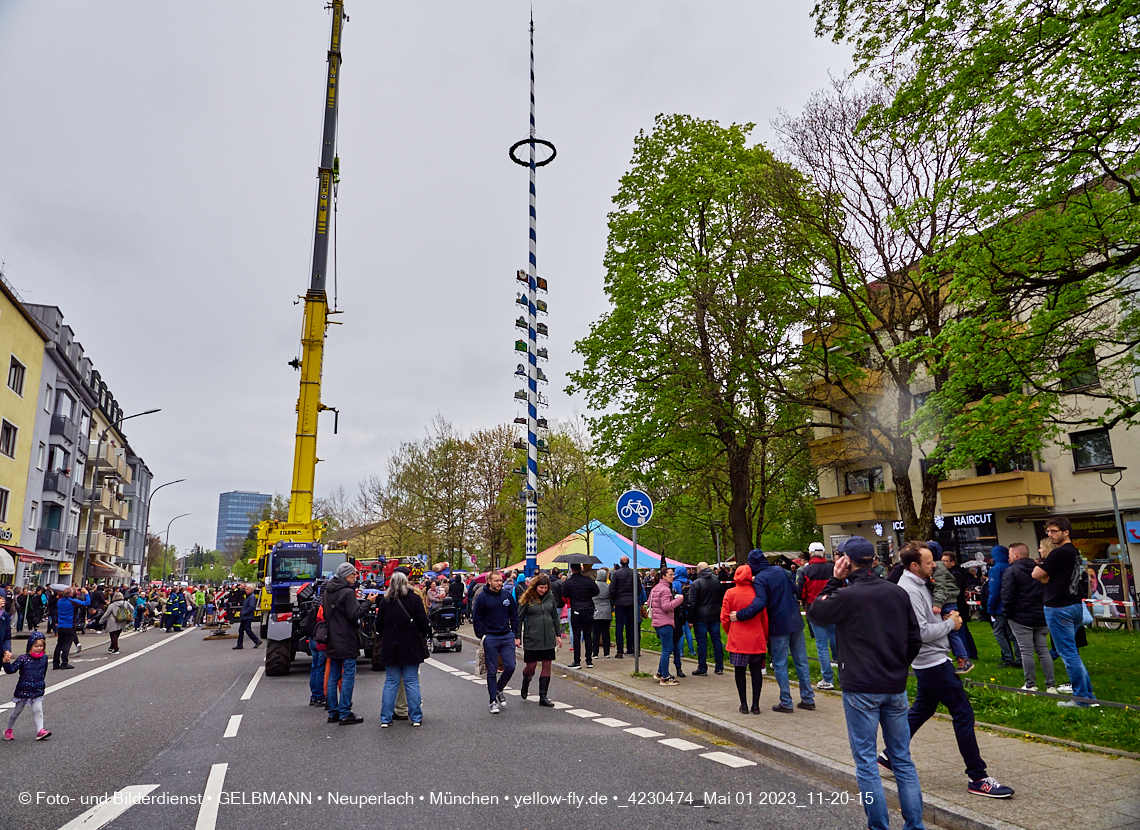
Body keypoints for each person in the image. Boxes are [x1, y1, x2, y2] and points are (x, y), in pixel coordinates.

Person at [807, 536, 925, 830]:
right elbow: (914, 638)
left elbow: (816, 614)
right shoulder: (897, 593)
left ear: (845, 561)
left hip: (861, 686)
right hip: (894, 684)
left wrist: (835, 581)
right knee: (903, 761)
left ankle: (878, 825)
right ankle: (915, 825)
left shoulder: (848, 596)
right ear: (874, 560)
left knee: (867, 763)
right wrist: (900, 666)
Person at [886, 542, 1014, 799]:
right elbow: (920, 632)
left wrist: (945, 621)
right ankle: (978, 777)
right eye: (929, 562)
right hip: (932, 662)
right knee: (963, 714)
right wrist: (950, 625)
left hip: (931, 661)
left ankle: (890, 754)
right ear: (914, 566)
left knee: (924, 708)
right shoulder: (909, 590)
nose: (935, 565)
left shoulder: (919, 584)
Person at [730, 549, 816, 714]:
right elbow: (794, 589)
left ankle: (786, 702)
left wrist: (740, 615)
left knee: (780, 663)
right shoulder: (780, 570)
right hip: (795, 621)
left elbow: (760, 603)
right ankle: (808, 698)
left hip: (778, 625)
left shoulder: (760, 579)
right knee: (801, 661)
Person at [1033, 517, 1096, 706]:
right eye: (1048, 531)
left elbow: (1036, 574)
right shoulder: (1074, 552)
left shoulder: (1059, 553)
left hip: (1059, 607)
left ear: (1066, 532)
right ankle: (1087, 695)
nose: (1050, 535)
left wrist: (1045, 571)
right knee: (1072, 652)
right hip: (1074, 605)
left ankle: (1082, 698)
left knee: (1068, 653)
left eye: (1054, 531)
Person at [375, 571, 430, 728]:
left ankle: (385, 718)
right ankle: (416, 717)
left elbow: (378, 625)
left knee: (391, 682)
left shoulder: (386, 601)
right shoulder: (414, 599)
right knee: (411, 682)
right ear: (406, 582)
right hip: (411, 645)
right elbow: (423, 622)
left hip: (390, 646)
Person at [1001, 542, 1057, 693]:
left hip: (1020, 617)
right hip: (1041, 615)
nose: (1009, 557)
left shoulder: (1011, 571)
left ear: (1016, 555)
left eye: (1010, 554)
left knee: (1026, 651)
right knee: (1043, 650)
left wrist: (1006, 613)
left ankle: (1030, 685)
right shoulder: (1039, 569)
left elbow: (1007, 595)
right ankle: (1050, 685)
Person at [323, 562, 373, 725]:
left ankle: (333, 712)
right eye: (353, 574)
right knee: (348, 675)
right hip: (346, 637)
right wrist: (368, 602)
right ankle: (345, 712)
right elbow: (354, 614)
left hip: (332, 636)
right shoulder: (348, 592)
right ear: (346, 575)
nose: (356, 576)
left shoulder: (328, 590)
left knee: (333, 676)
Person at [721, 564, 770, 713]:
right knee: (756, 672)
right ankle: (756, 705)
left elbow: (724, 617)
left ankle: (743, 704)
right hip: (755, 638)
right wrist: (765, 636)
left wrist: (730, 631)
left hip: (738, 639)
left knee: (739, 672)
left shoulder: (730, 593)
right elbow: (764, 618)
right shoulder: (757, 594)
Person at [471, 570, 520, 714]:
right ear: (489, 581)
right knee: (492, 670)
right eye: (497, 581)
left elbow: (514, 615)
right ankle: (493, 701)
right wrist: (481, 635)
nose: (500, 583)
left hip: (506, 636)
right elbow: (476, 618)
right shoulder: (482, 597)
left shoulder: (506, 595)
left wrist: (514, 634)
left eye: (501, 580)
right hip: (491, 637)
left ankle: (499, 689)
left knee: (510, 666)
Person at [797, 542, 838, 690]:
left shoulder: (806, 571)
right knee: (834, 636)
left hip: (814, 608)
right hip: (832, 607)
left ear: (811, 554)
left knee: (821, 645)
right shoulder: (832, 568)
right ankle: (838, 663)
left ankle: (828, 679)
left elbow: (800, 591)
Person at [517, 573, 562, 706]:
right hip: (532, 637)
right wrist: (517, 637)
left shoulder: (550, 597)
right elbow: (519, 618)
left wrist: (558, 635)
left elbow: (554, 616)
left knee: (547, 664)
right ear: (535, 586)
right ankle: (526, 680)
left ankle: (543, 695)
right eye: (541, 587)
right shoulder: (528, 598)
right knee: (531, 666)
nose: (543, 590)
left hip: (548, 637)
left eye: (545, 588)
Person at [928, 543, 971, 673]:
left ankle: (963, 658)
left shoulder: (938, 567)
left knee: (951, 631)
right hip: (945, 601)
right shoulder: (937, 566)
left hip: (946, 603)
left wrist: (937, 604)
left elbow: (940, 587)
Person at [3, 631, 50, 741]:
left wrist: (42, 683)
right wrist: (6, 663)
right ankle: (8, 729)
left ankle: (40, 731)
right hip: (23, 689)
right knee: (17, 711)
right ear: (30, 646)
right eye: (36, 646)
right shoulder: (23, 658)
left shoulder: (44, 658)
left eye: (41, 646)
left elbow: (44, 672)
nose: (39, 648)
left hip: (37, 688)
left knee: (38, 710)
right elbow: (11, 670)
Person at [941, 549, 979, 664]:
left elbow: (956, 590)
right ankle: (972, 652)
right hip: (959, 604)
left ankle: (965, 653)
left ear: (953, 562)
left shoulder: (955, 574)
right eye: (942, 561)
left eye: (946, 561)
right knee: (964, 630)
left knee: (959, 630)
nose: (943, 564)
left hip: (958, 605)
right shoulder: (954, 573)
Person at [648, 568, 683, 686]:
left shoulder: (655, 588)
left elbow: (649, 603)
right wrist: (679, 600)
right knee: (667, 650)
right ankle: (665, 677)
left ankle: (660, 672)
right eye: (670, 574)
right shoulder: (666, 590)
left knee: (667, 647)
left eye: (673, 574)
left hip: (657, 622)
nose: (673, 576)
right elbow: (667, 607)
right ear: (663, 576)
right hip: (665, 622)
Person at [986, 546, 1021, 668]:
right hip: (1013, 605)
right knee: (1013, 633)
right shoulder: (1012, 567)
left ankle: (1008, 658)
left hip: (1000, 606)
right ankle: (1020, 658)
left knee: (999, 632)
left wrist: (990, 608)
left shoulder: (996, 569)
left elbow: (994, 591)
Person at [689, 561, 725, 676]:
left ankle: (702, 668)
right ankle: (719, 667)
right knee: (717, 641)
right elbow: (721, 598)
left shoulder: (696, 583)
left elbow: (692, 603)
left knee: (701, 642)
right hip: (715, 614)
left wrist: (690, 618)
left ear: (699, 570)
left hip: (701, 617)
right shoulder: (716, 581)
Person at [561, 563, 599, 669]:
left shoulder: (568, 583)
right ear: (580, 568)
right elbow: (596, 591)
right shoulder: (588, 581)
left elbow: (563, 597)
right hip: (588, 609)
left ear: (572, 569)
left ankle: (577, 661)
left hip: (576, 610)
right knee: (588, 635)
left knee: (577, 636)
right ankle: (589, 661)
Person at [53, 587, 89, 671]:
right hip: (70, 625)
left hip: (61, 625)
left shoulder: (59, 601)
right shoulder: (73, 602)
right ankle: (64, 663)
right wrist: (86, 593)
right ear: (70, 594)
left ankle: (56, 663)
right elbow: (87, 602)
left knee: (59, 644)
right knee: (67, 644)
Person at [610, 556, 637, 658]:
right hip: (631, 602)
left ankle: (620, 650)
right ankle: (631, 649)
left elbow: (612, 589)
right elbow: (638, 588)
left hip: (620, 603)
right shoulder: (633, 573)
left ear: (620, 563)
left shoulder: (616, 574)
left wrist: (614, 600)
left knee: (619, 626)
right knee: (631, 626)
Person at [591, 569, 613, 660]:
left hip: (596, 610)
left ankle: (595, 653)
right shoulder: (608, 586)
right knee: (606, 632)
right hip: (607, 610)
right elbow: (612, 596)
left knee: (595, 633)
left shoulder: (594, 586)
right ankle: (606, 652)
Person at [232, 585, 262, 650]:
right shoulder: (248, 597)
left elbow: (251, 607)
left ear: (251, 590)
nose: (246, 590)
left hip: (247, 617)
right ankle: (239, 644)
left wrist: (244, 612)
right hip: (245, 617)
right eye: (246, 589)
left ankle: (257, 641)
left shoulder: (251, 597)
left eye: (247, 589)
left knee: (247, 630)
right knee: (241, 630)